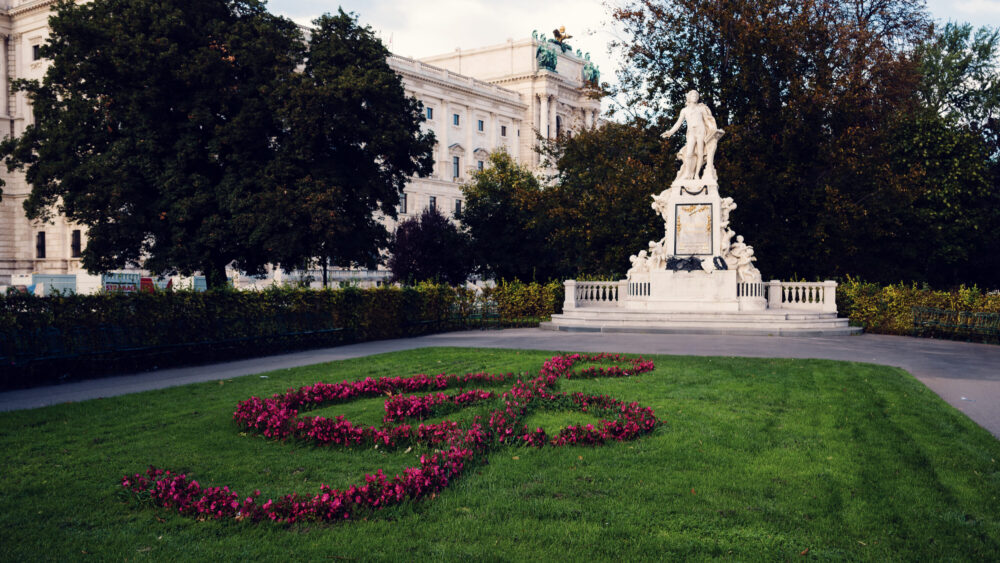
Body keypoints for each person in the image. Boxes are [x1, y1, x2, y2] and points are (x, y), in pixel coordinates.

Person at [662, 90, 723, 181]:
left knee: (700, 153)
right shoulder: (684, 110)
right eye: (693, 95)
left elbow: (707, 120)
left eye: (696, 95)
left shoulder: (701, 108)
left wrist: (713, 129)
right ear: (689, 97)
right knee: (689, 153)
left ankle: (697, 175)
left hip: (701, 132)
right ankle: (688, 173)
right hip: (691, 133)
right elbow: (678, 123)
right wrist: (670, 132)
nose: (695, 96)